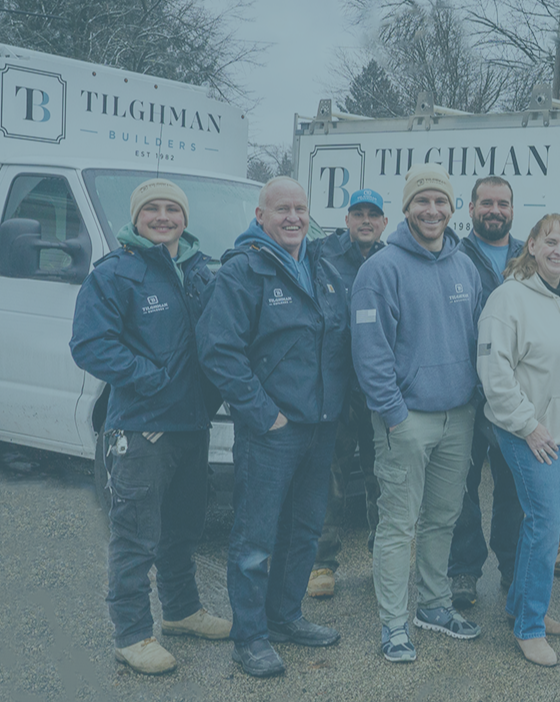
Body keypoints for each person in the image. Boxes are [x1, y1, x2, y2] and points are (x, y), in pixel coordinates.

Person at [71, 179, 231, 675]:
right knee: (136, 536)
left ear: (185, 218)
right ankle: (132, 634)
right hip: (142, 427)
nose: (163, 217)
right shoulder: (115, 273)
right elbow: (90, 345)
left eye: (172, 209)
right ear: (136, 217)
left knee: (182, 528)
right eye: (152, 209)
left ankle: (181, 611)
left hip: (191, 424)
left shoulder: (199, 271)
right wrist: (151, 378)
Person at [197, 177, 351, 677]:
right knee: (256, 539)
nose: (293, 217)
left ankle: (285, 617)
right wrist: (265, 414)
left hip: (320, 426)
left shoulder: (321, 267)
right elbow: (218, 351)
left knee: (303, 531)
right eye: (282, 209)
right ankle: (250, 636)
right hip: (272, 430)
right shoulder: (244, 271)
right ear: (260, 216)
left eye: (300, 209)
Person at [349, 165, 487, 663]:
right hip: (405, 419)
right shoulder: (380, 269)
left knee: (442, 519)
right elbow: (370, 352)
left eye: (440, 201)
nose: (432, 210)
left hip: (458, 416)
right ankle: (393, 624)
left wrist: (473, 401)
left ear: (453, 209)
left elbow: (476, 341)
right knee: (398, 525)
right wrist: (394, 415)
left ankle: (433, 606)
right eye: (422, 201)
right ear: (406, 209)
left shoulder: (464, 267)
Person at [476, 214, 560, 667]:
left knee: (547, 522)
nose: (559, 251)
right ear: (530, 245)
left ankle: (522, 605)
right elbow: (495, 373)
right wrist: (528, 425)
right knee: (545, 524)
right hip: (529, 432)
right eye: (550, 242)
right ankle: (530, 627)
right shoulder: (508, 298)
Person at [309, 188, 389, 599]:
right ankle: (321, 563)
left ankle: (384, 559)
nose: (365, 221)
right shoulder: (321, 255)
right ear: (346, 220)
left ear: (384, 223)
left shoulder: (391, 260)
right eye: (358, 213)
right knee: (331, 477)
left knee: (382, 476)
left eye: (373, 214)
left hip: (377, 386)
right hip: (336, 385)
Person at [450, 177, 526, 609]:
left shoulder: (529, 256)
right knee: (462, 485)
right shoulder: (454, 256)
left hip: (513, 392)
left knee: (513, 487)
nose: (495, 210)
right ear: (471, 208)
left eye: (503, 203)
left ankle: (512, 566)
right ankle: (464, 569)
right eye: (487, 203)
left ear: (513, 209)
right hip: (465, 394)